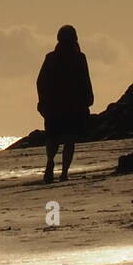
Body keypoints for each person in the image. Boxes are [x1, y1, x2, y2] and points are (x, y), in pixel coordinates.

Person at [36, 25, 94, 183]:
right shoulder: (79, 57)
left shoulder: (51, 57)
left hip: (54, 106)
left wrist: (43, 101)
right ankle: (64, 173)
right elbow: (85, 79)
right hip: (73, 106)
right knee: (69, 140)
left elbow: (40, 81)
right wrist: (88, 99)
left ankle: (50, 162)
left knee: (52, 137)